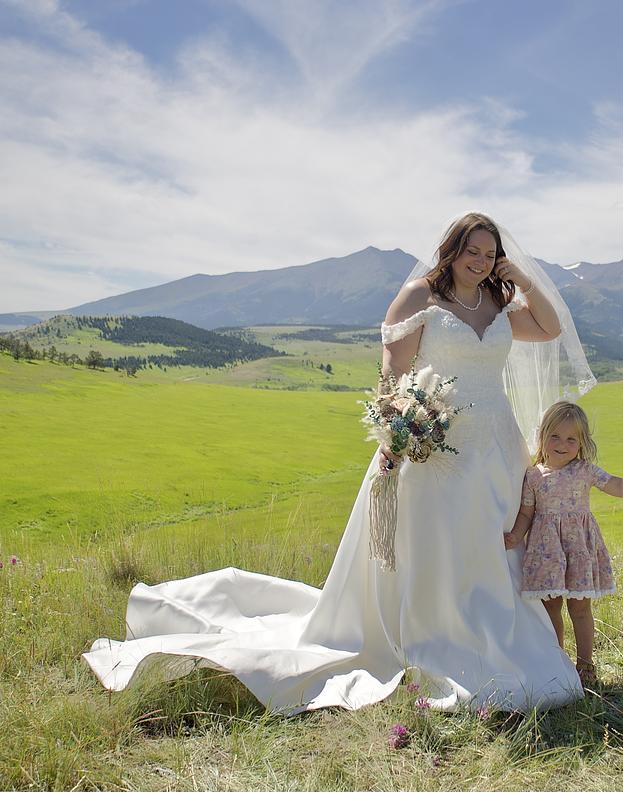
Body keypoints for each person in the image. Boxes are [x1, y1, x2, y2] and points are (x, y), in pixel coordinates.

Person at [83, 212, 596, 714]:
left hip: (498, 448)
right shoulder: (420, 296)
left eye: (489, 254)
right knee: (439, 541)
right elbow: (392, 372)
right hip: (437, 447)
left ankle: (498, 633)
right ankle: (436, 634)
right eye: (471, 251)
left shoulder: (497, 300)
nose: (480, 262)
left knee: (495, 540)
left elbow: (550, 327)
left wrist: (520, 276)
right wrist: (398, 432)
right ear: (452, 250)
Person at [503, 401, 623, 687]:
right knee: (551, 607)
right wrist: (516, 535)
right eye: (555, 436)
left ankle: (586, 665)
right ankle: (557, 663)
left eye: (571, 439)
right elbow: (527, 512)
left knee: (579, 608)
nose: (562, 445)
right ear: (543, 435)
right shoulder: (533, 475)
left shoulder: (584, 470)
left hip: (578, 548)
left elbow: (616, 484)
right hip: (547, 551)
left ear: (581, 443)